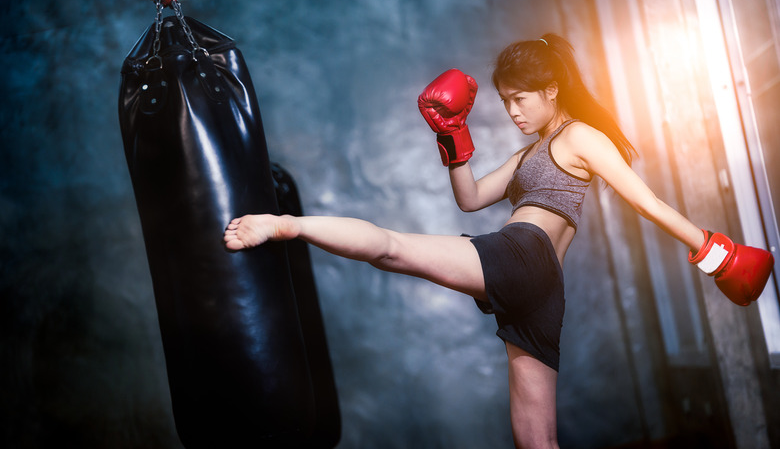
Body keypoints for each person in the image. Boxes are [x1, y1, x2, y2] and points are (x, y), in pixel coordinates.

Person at [223, 34, 773, 449]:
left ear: (551, 91)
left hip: (524, 257)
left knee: (391, 248)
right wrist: (452, 137)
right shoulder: (530, 152)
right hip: (539, 287)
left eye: (520, 99)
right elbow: (470, 197)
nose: (510, 111)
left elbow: (644, 201)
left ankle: (285, 225)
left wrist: (714, 250)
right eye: (504, 100)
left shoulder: (580, 135)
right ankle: (287, 226)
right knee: (537, 443)